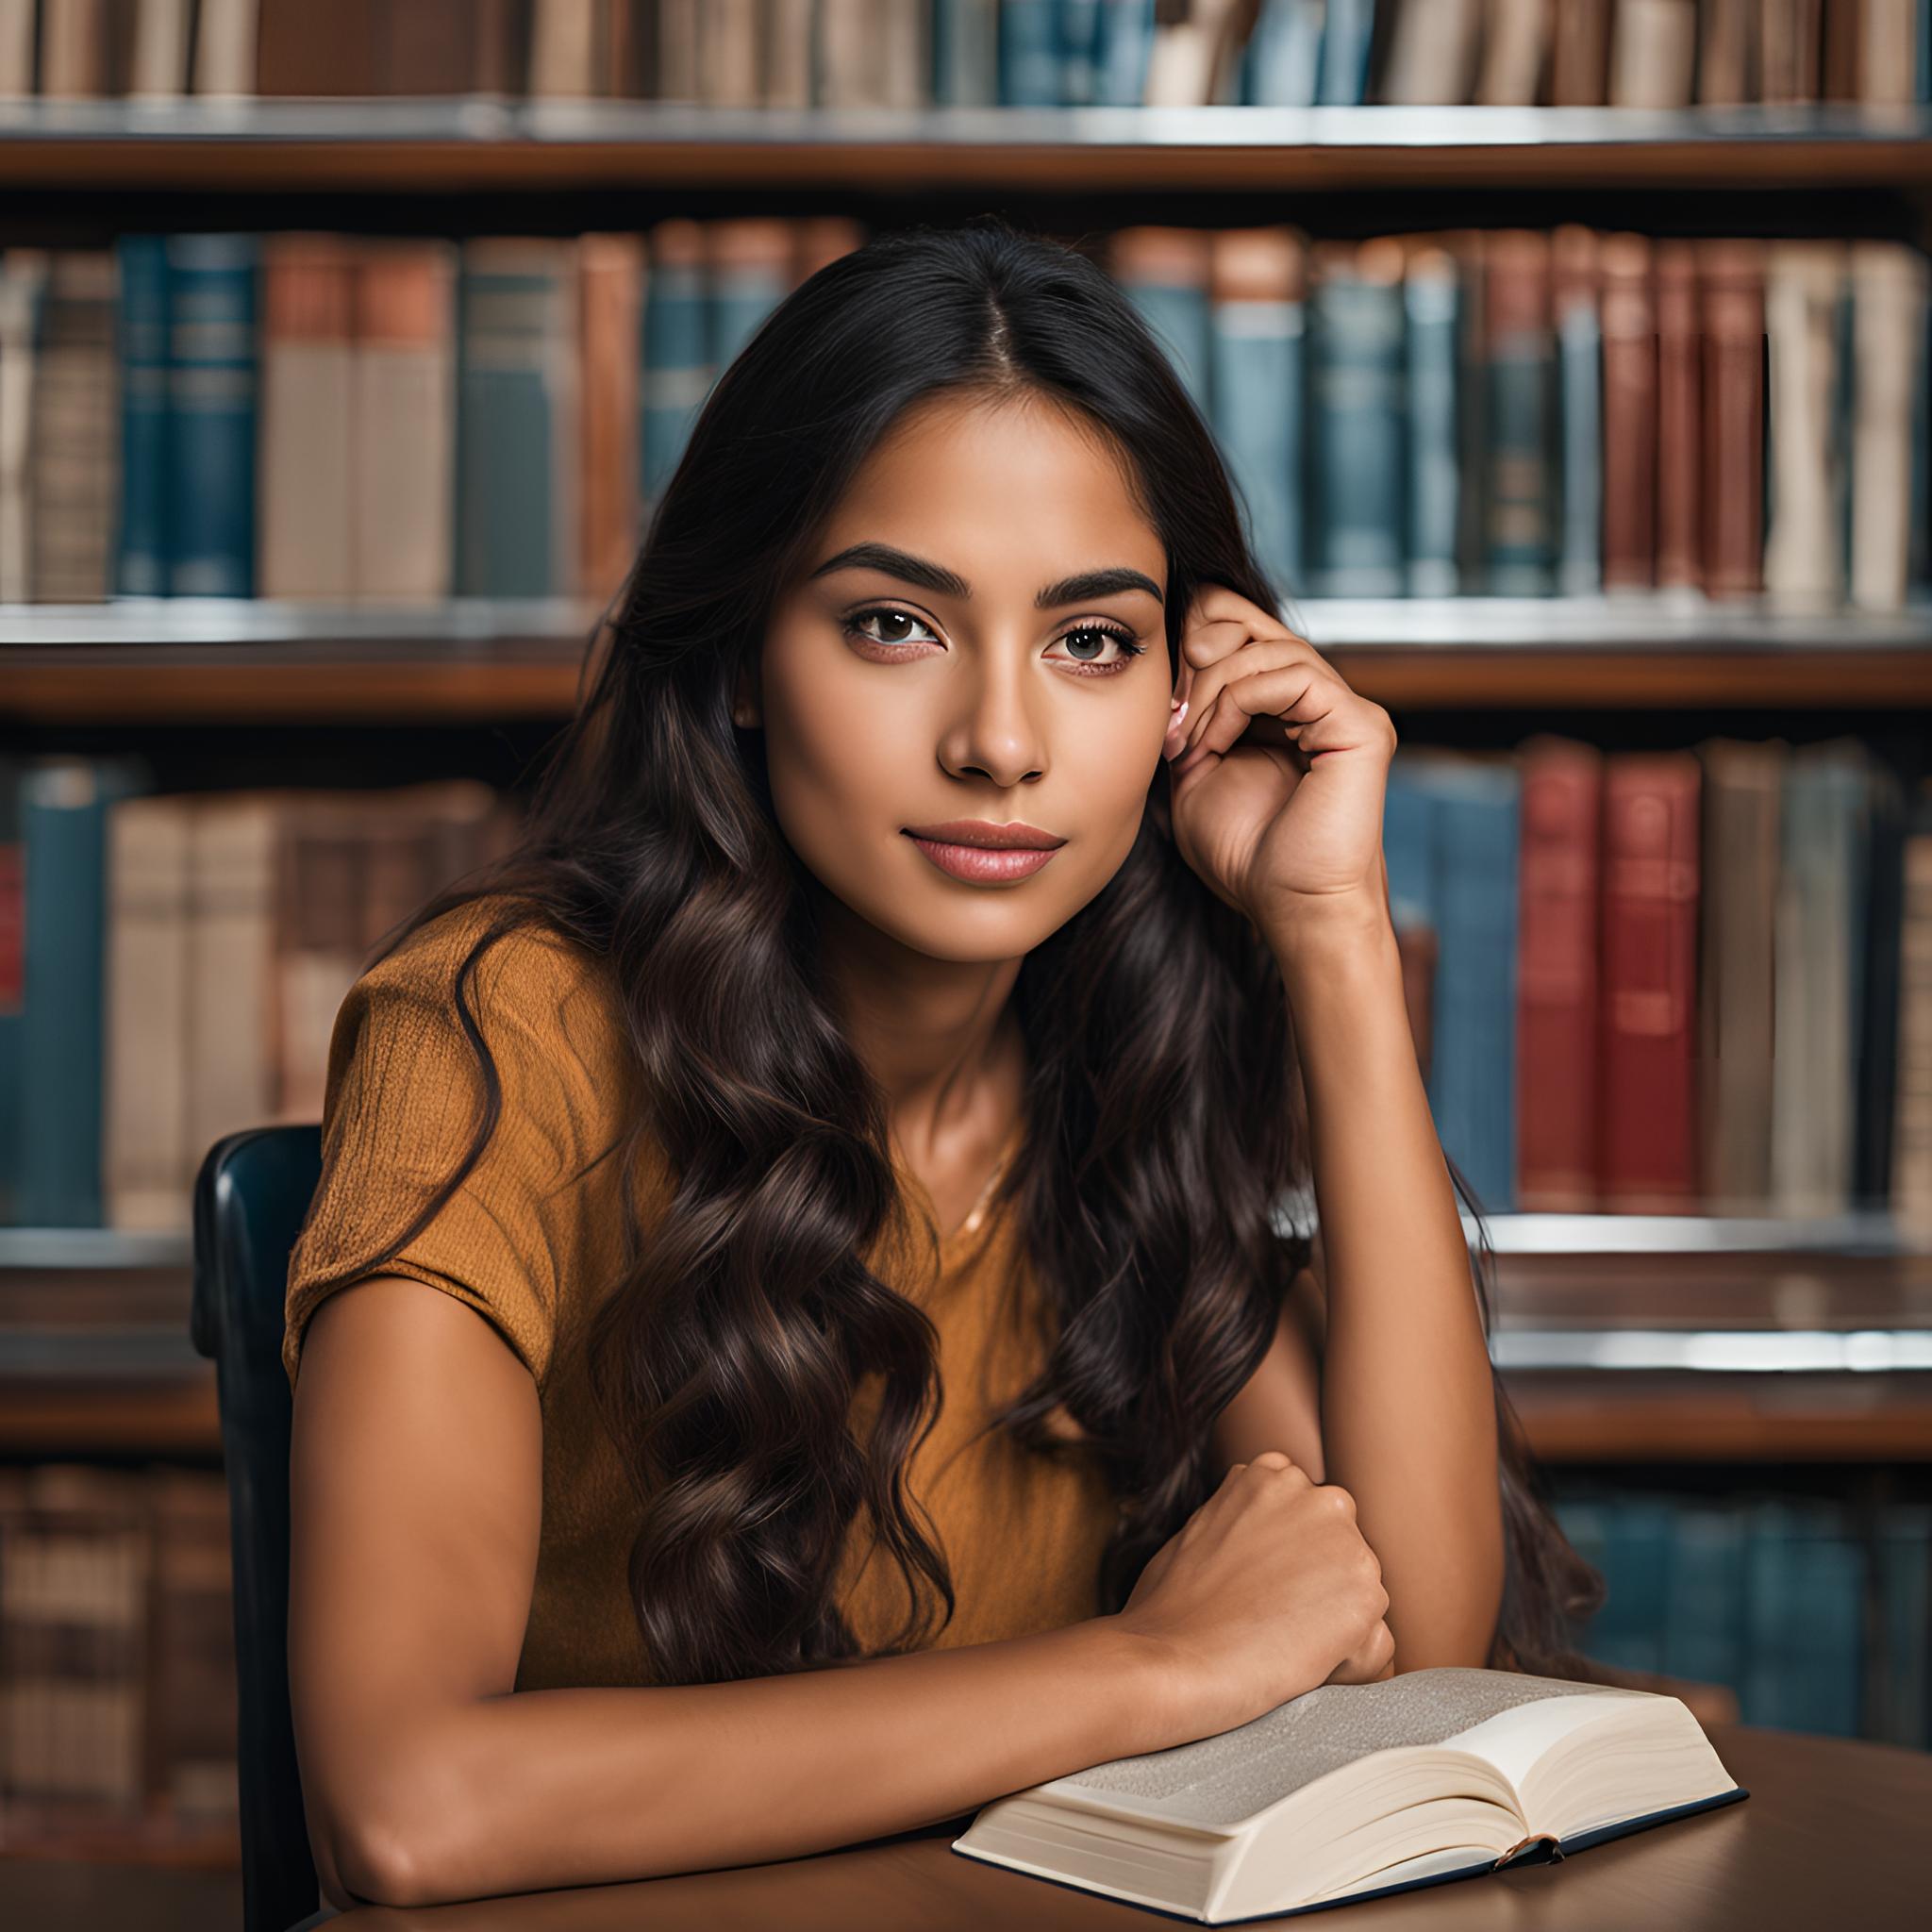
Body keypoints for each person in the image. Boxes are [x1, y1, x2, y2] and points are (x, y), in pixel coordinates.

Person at [281, 216, 1606, 1910]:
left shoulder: (1120, 1067)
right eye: (896, 625)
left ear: (1184, 696)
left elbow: (1416, 1639)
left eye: (1092, 642)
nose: (1000, 740)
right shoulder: (493, 1034)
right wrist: (1147, 1672)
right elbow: (408, 1807)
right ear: (748, 661)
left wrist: (1333, 929)